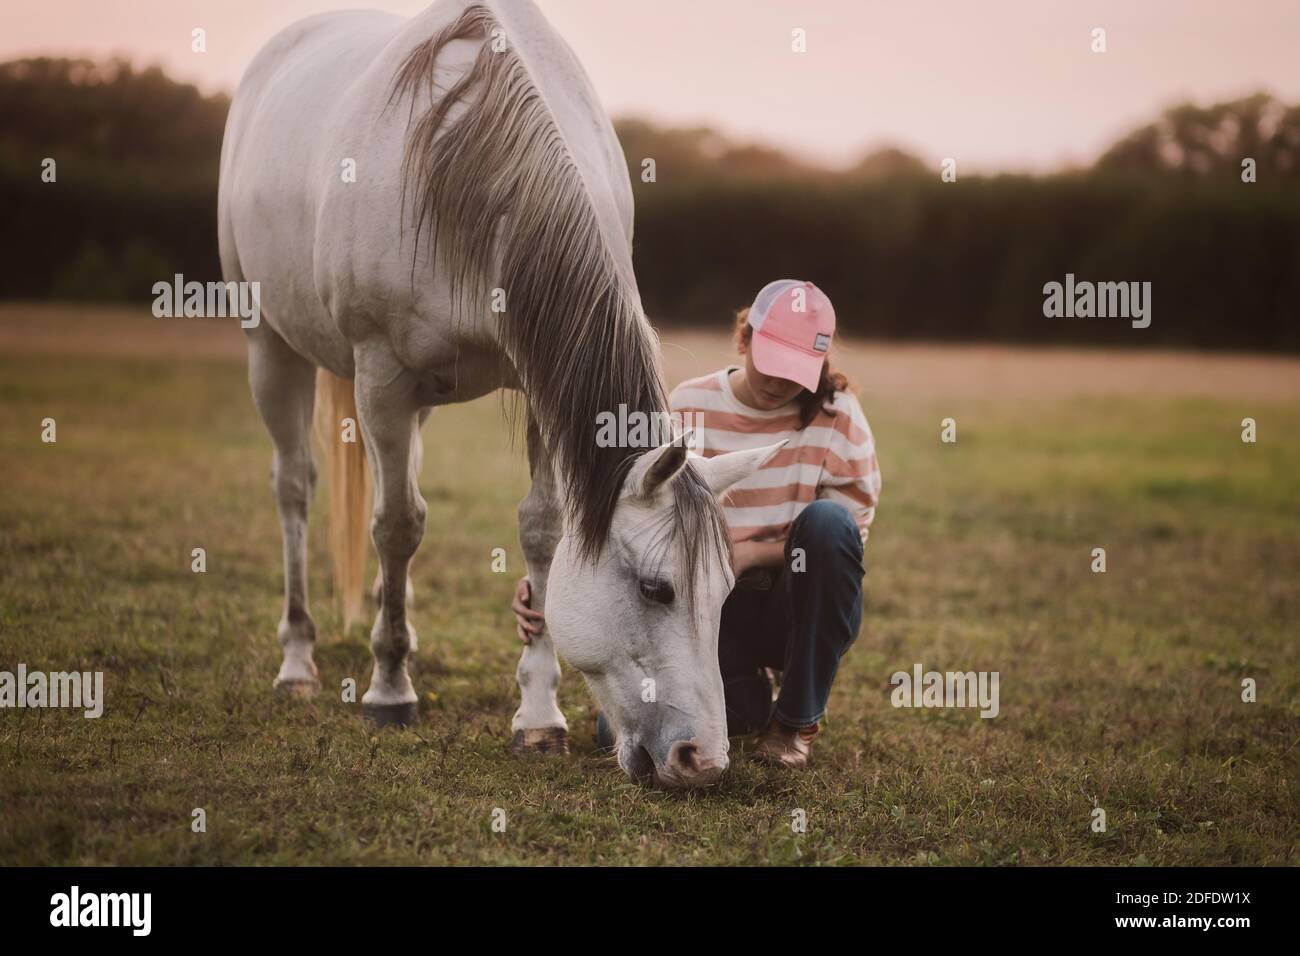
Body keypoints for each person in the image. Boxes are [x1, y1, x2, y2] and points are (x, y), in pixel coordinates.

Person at [512, 279, 881, 769]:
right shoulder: (688, 405)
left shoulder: (840, 419)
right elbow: (630, 507)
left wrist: (749, 553)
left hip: (789, 604)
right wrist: (551, 577)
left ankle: (795, 721)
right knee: (611, 731)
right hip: (702, 610)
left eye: (796, 373)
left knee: (828, 525)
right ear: (745, 339)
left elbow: (849, 537)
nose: (779, 382)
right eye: (771, 363)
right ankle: (744, 694)